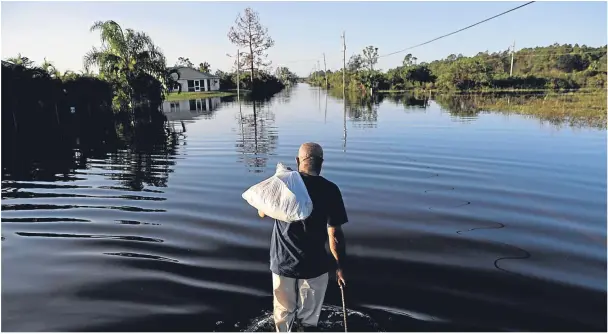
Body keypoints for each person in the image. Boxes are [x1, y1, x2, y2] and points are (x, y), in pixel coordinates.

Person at [258, 142, 348, 332]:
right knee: (309, 320)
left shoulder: (284, 184)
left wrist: (279, 184)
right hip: (315, 266)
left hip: (283, 263)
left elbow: (262, 212)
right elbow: (335, 234)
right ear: (321, 163)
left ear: (298, 161)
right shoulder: (330, 190)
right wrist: (339, 266)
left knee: (283, 318)